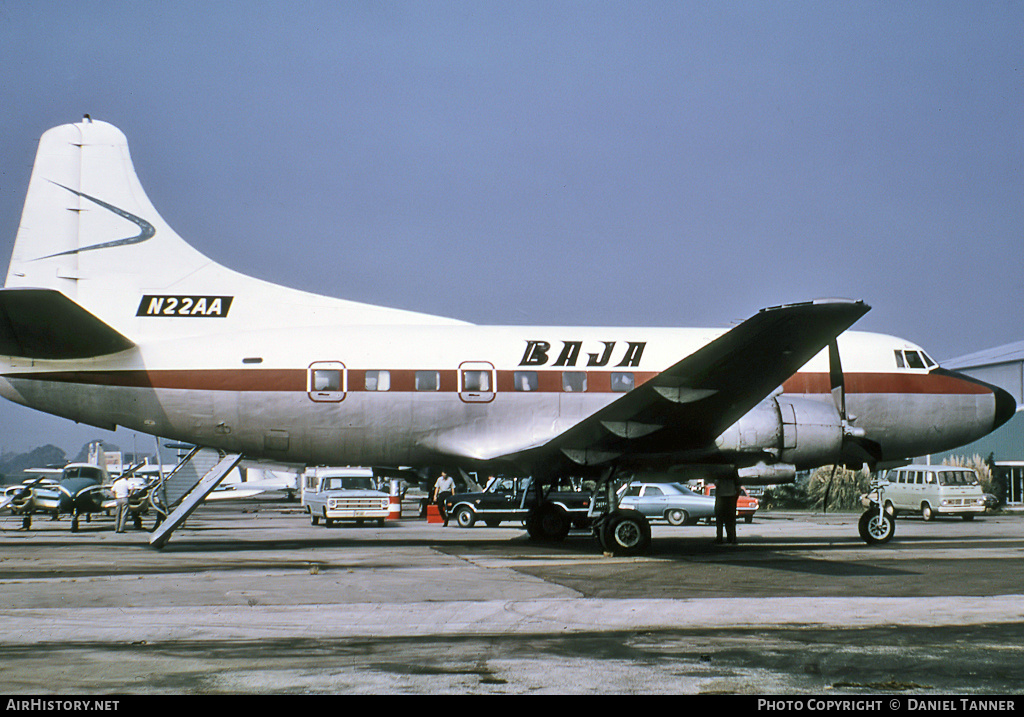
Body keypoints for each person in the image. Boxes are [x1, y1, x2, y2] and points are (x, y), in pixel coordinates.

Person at [714, 473, 740, 545]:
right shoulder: (734, 476)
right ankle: (732, 538)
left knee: (720, 520)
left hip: (721, 498)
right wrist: (735, 499)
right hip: (731, 498)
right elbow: (738, 489)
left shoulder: (719, 475)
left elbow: (716, 484)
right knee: (731, 521)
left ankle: (719, 538)